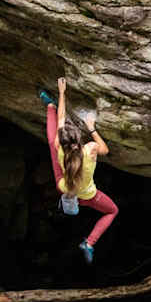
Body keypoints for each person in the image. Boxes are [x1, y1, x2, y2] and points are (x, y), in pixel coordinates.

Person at [39, 78, 118, 264]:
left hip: (65, 185)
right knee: (112, 211)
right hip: (84, 195)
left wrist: (62, 92)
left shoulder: (60, 147)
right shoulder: (90, 150)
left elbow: (61, 118)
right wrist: (92, 129)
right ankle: (89, 243)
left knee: (51, 144)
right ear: (78, 139)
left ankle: (49, 104)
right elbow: (105, 150)